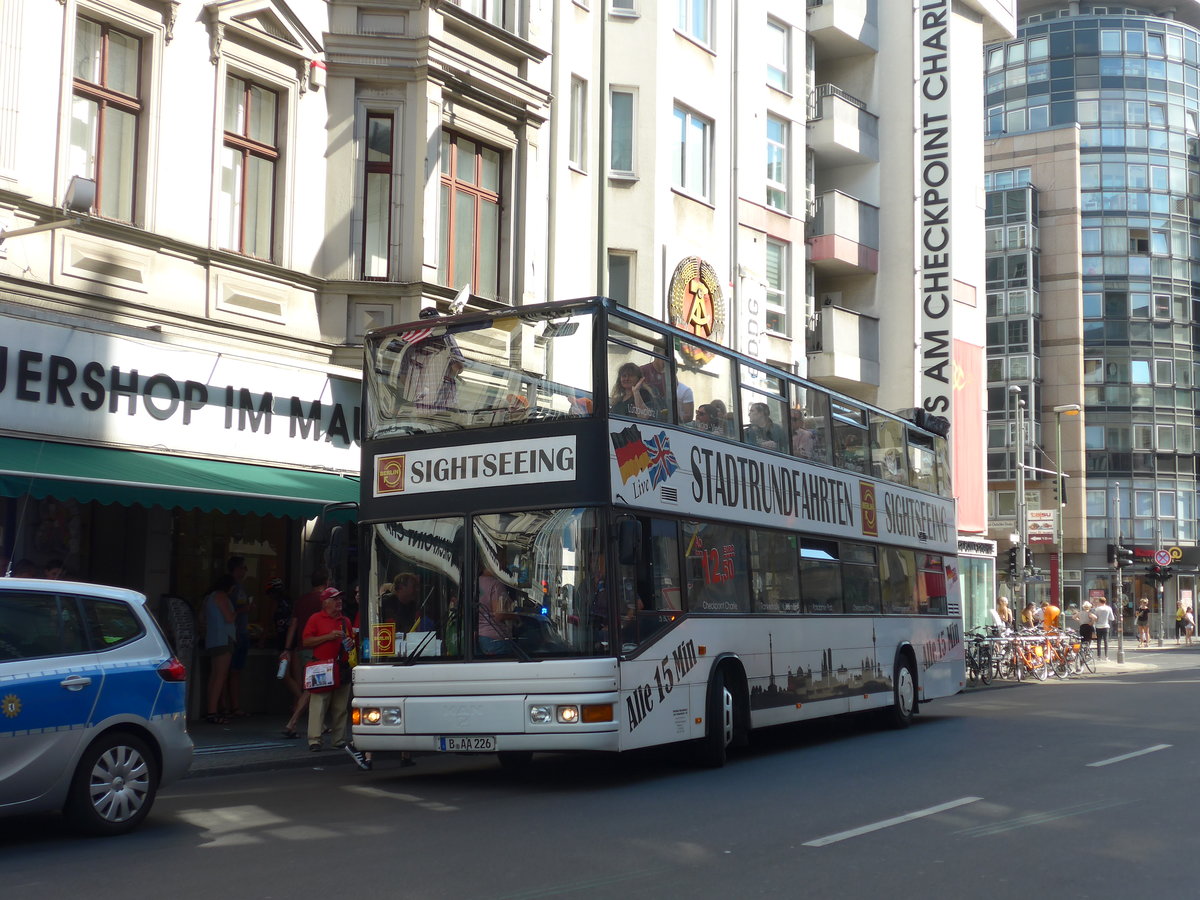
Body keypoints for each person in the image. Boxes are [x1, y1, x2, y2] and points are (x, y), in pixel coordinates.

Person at [302, 587, 353, 752]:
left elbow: (351, 643)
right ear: (325, 603)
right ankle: (314, 740)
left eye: (340, 599)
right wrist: (328, 637)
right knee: (318, 704)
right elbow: (306, 641)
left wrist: (351, 644)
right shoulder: (315, 619)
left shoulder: (346, 621)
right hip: (322, 667)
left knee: (340, 707)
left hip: (341, 667)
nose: (339, 602)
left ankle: (338, 739)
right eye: (334, 599)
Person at [282, 568, 330, 738]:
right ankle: (293, 722)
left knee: (310, 688)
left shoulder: (301, 600)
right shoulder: (324, 601)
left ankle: (319, 724)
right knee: (311, 688)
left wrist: (288, 648)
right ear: (326, 583)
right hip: (318, 647)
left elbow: (293, 625)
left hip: (301, 648)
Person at [203, 574, 237, 724]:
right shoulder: (221, 596)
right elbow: (229, 618)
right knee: (220, 676)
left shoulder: (208, 598)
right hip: (223, 638)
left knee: (214, 675)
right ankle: (213, 711)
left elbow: (201, 619)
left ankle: (210, 709)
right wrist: (240, 610)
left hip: (212, 639)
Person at [224, 556, 252, 718]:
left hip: (240, 632)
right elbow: (234, 611)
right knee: (233, 670)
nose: (245, 571)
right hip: (237, 633)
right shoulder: (234, 588)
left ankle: (230, 705)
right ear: (236, 569)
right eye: (243, 567)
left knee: (232, 671)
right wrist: (245, 609)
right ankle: (233, 706)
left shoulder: (239, 587)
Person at [478, 568, 515, 655]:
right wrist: (515, 616)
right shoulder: (496, 584)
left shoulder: (475, 582)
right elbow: (499, 614)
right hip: (497, 639)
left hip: (480, 637)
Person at [1092, 596, 1115, 660]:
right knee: (1106, 641)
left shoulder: (1097, 609)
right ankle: (1106, 656)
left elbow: (1095, 618)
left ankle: (1099, 656)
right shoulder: (1109, 608)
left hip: (1098, 626)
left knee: (1098, 642)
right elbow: (1112, 618)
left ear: (1099, 602)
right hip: (1106, 626)